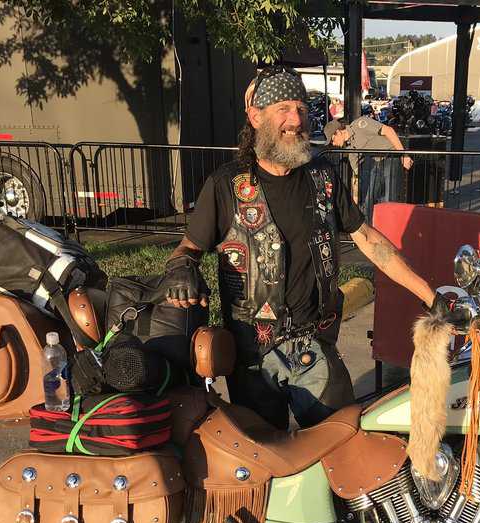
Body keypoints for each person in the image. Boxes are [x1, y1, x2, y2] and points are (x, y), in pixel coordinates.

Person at [161, 66, 450, 431]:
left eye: (300, 108)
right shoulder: (226, 186)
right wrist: (182, 267)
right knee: (267, 456)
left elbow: (369, 239)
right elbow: (188, 247)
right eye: (283, 108)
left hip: (316, 347)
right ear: (255, 117)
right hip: (253, 357)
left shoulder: (322, 177)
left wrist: (430, 296)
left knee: (343, 443)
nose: (296, 120)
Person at [323, 114, 413, 223]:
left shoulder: (360, 124)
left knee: (389, 197)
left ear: (338, 132)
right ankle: (368, 229)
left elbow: (388, 131)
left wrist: (404, 155)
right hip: (376, 162)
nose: (334, 144)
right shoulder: (350, 148)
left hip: (391, 156)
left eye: (333, 140)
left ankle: (389, 228)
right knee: (368, 199)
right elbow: (356, 173)